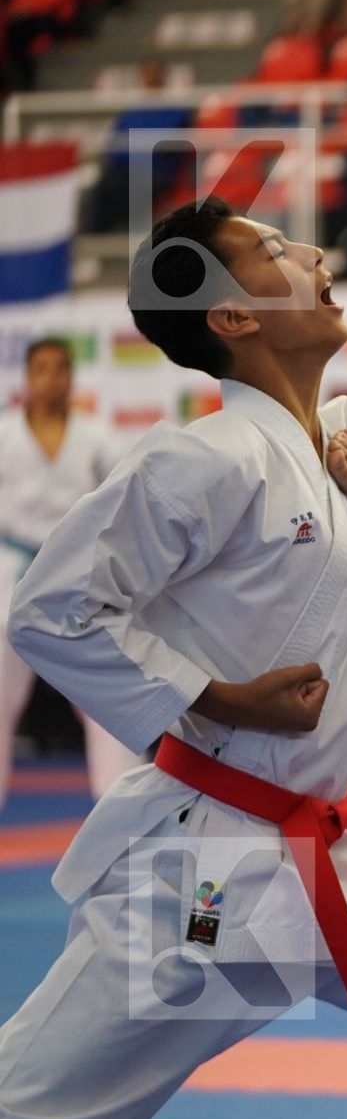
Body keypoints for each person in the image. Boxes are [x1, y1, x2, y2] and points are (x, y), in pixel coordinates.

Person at [0, 197, 347, 1119]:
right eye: (276, 250)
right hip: (204, 874)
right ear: (229, 316)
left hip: (330, 866)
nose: (315, 254)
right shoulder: (204, 458)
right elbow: (47, 609)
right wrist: (212, 696)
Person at [0, 337, 138, 816]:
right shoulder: (4, 433)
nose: (51, 379)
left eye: (60, 369)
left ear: (71, 377)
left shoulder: (96, 435)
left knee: (103, 701)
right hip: (10, 576)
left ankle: (118, 812)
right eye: (41, 368)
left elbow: (121, 503)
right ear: (27, 376)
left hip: (77, 577)